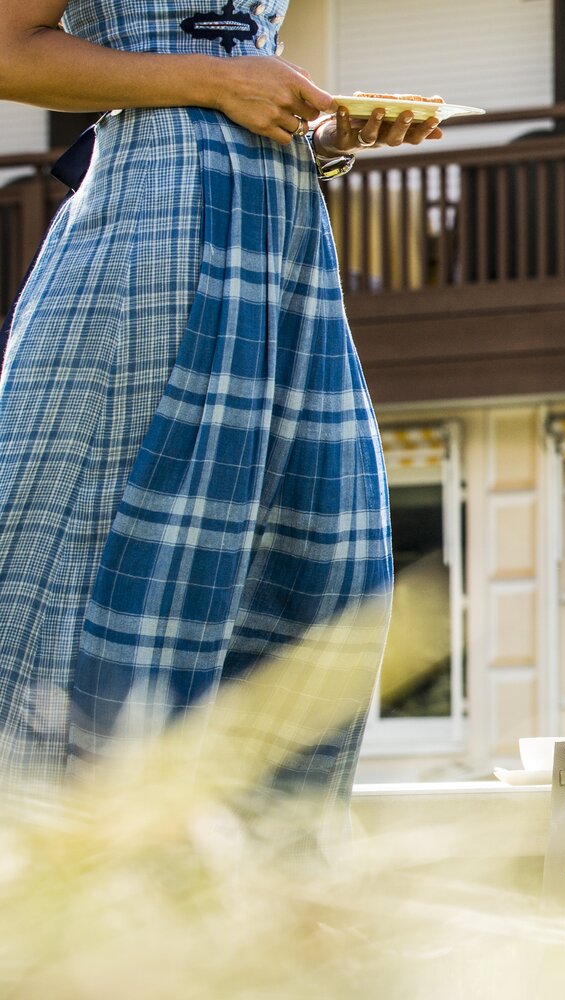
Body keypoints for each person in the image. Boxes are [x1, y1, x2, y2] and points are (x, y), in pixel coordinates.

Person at [0, 0, 442, 803]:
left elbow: (244, 82)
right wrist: (217, 81)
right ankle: (79, 867)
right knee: (133, 561)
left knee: (323, 575)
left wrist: (330, 136)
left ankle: (240, 884)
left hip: (284, 236)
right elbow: (6, 50)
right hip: (155, 223)